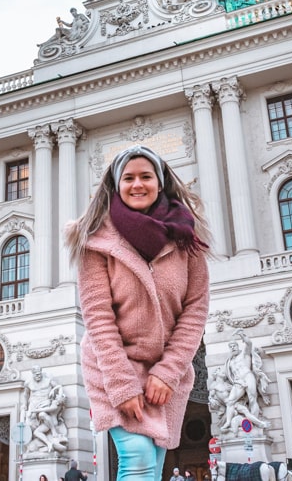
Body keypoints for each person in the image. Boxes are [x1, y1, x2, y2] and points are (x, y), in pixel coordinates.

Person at [66, 145, 211, 481]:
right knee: (139, 459)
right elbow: (98, 318)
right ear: (117, 186)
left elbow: (195, 310)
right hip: (114, 367)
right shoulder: (95, 243)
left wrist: (168, 372)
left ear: (159, 184)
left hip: (164, 374)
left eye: (146, 176)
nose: (137, 184)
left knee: (154, 463)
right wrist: (122, 385)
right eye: (128, 178)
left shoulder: (186, 239)